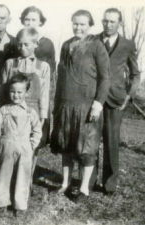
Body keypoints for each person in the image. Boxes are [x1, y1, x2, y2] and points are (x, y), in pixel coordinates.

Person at [51, 10, 110, 201]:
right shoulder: (66, 45)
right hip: (66, 105)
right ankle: (65, 183)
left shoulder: (97, 46)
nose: (78, 27)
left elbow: (104, 78)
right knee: (66, 145)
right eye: (75, 23)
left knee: (86, 147)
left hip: (86, 106)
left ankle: (84, 188)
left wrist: (98, 104)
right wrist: (57, 104)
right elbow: (61, 77)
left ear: (90, 25)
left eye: (83, 24)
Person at [94, 8, 140, 194]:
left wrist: (128, 96)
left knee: (112, 143)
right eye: (105, 21)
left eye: (112, 21)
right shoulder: (93, 40)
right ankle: (88, 182)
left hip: (115, 100)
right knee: (91, 141)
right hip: (94, 99)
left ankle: (109, 185)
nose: (108, 24)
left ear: (119, 23)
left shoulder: (127, 45)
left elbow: (135, 74)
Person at [0, 27, 50, 193]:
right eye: (19, 44)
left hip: (32, 113)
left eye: (27, 44)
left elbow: (44, 93)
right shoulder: (10, 63)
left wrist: (43, 117)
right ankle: (8, 183)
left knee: (29, 149)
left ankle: (25, 185)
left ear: (36, 44)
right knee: (10, 148)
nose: (22, 48)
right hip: (12, 112)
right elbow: (3, 89)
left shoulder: (43, 66)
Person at [0, 74, 42, 218]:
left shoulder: (30, 112)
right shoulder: (4, 110)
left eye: (19, 92)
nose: (16, 95)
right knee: (4, 174)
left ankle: (20, 205)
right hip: (6, 146)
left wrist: (32, 145)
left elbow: (37, 130)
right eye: (12, 91)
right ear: (8, 91)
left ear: (26, 92)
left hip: (24, 148)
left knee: (22, 176)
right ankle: (1, 203)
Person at [20, 6, 55, 144]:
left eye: (34, 20)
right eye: (27, 19)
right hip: (20, 91)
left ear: (40, 22)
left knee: (36, 136)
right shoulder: (20, 40)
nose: (30, 23)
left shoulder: (46, 43)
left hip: (38, 91)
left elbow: (50, 72)